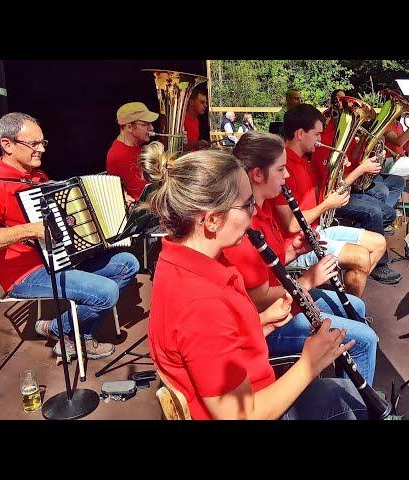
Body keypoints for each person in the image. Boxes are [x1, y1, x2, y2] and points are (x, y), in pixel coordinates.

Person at [141, 143, 369, 420]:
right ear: (212, 220)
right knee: (352, 402)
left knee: (344, 392)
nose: (253, 215)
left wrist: (260, 324)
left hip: (251, 387)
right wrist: (310, 363)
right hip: (255, 406)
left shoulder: (181, 260)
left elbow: (206, 351)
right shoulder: (201, 304)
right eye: (247, 205)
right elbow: (240, 416)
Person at [0, 112, 139, 360]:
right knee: (107, 292)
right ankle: (76, 335)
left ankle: (58, 329)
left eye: (42, 142)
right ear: (7, 145)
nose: (41, 150)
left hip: (60, 258)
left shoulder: (36, 177)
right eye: (33, 144)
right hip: (25, 274)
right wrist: (31, 229)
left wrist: (117, 205)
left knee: (127, 264)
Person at [224, 131, 378, 386]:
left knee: (357, 307)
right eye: (281, 169)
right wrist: (307, 281)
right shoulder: (243, 224)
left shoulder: (262, 208)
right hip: (267, 323)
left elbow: (269, 265)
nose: (287, 176)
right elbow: (257, 298)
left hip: (285, 300)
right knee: (365, 340)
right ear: (257, 174)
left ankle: (348, 386)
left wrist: (292, 251)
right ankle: (359, 405)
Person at [270, 103, 386, 297]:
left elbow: (327, 195)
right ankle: (352, 310)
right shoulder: (283, 167)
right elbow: (291, 225)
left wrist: (351, 172)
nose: (320, 139)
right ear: (300, 134)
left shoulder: (305, 161)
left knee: (379, 242)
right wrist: (326, 205)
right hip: (297, 244)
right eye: (317, 134)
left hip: (316, 232)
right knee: (360, 258)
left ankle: (347, 297)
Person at [314, 91, 404, 284]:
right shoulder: (326, 141)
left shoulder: (345, 137)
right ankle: (378, 265)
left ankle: (361, 244)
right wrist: (362, 168)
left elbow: (352, 164)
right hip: (330, 197)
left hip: (344, 192)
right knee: (374, 212)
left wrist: (364, 150)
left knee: (388, 212)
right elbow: (335, 184)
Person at [106, 102, 158, 202]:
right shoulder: (118, 155)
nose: (152, 128)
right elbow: (143, 194)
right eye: (145, 124)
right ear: (129, 127)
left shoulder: (137, 144)